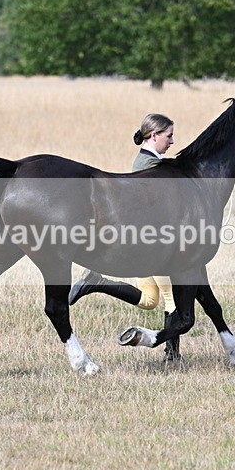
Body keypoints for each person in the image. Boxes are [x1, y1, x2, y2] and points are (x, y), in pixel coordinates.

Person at [68, 113, 179, 360]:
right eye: (169, 136)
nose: (172, 141)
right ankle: (172, 355)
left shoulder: (148, 162)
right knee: (173, 297)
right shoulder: (151, 167)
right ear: (154, 136)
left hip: (144, 241)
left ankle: (98, 283)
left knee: (150, 300)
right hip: (153, 243)